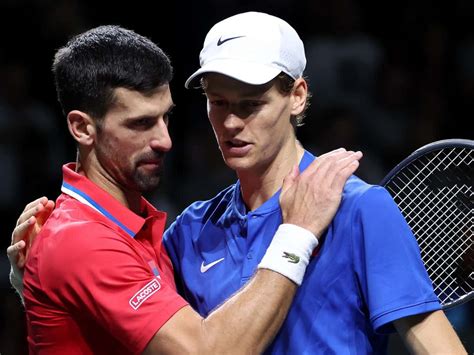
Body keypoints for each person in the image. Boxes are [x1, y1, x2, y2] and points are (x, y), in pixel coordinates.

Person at [8, 12, 467, 354]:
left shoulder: (360, 209)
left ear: (297, 96)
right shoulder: (188, 231)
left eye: (250, 105)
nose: (229, 123)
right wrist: (40, 282)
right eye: (217, 103)